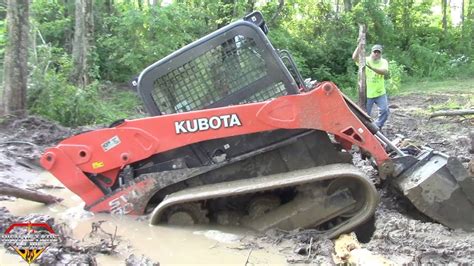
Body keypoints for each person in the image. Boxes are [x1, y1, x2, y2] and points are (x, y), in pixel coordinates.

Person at [352, 44, 389, 130]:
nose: (376, 54)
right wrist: (359, 45)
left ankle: (377, 126)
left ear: (381, 54)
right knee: (365, 114)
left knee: (384, 110)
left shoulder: (383, 62)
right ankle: (365, 130)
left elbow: (384, 71)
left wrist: (372, 67)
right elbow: (354, 58)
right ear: (371, 52)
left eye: (378, 52)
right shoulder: (365, 60)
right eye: (375, 52)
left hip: (380, 93)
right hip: (368, 93)